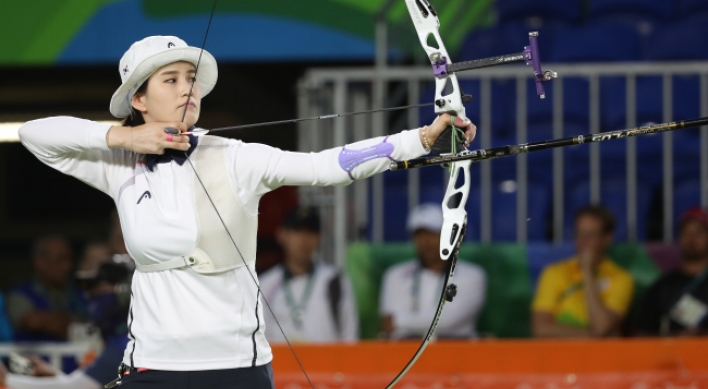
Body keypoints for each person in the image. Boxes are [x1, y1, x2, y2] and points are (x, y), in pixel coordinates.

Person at [18, 35, 476, 388]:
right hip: (152, 366)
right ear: (139, 99)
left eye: (191, 78)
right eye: (170, 80)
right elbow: (36, 134)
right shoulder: (119, 165)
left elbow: (325, 166)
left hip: (237, 367)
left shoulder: (236, 156)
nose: (187, 89)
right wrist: (124, 137)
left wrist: (421, 137)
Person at [0, 255, 134, 389]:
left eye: (102, 287)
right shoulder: (124, 339)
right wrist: (55, 377)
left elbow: (76, 388)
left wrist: (6, 380)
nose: (93, 295)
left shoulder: (126, 344)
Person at [379, 203, 486, 339]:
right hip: (408, 351)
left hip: (458, 352)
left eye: (433, 234)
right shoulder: (395, 275)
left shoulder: (472, 275)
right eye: (420, 235)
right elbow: (388, 325)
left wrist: (399, 321)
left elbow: (451, 319)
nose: (426, 241)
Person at [532, 205, 635, 338]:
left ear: (607, 238)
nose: (582, 242)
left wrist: (587, 271)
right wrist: (593, 338)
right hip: (560, 354)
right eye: (579, 234)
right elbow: (541, 329)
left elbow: (602, 327)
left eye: (590, 235)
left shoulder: (621, 278)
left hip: (601, 357)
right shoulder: (554, 272)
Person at [259, 206, 358, 343]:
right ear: (281, 235)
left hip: (327, 363)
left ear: (319, 238)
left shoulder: (334, 280)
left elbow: (350, 336)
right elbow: (260, 337)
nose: (304, 240)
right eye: (297, 231)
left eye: (310, 232)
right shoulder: (265, 284)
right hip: (280, 363)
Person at [636, 207, 708, 336]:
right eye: (686, 233)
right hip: (672, 353)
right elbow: (643, 334)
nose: (692, 239)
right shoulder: (663, 286)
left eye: (699, 232)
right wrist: (676, 340)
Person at [7, 235, 88, 342]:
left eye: (69, 259)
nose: (67, 266)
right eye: (60, 260)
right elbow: (33, 322)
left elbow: (92, 324)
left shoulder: (78, 294)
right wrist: (71, 322)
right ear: (40, 262)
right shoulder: (20, 294)